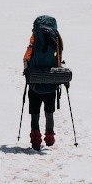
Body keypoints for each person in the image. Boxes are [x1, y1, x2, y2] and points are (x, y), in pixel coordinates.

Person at [22, 13, 64, 149]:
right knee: (49, 112)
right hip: (51, 82)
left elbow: (27, 57)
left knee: (35, 111)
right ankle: (50, 137)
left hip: (34, 81)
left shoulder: (35, 38)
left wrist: (27, 71)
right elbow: (58, 59)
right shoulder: (57, 39)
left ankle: (35, 139)